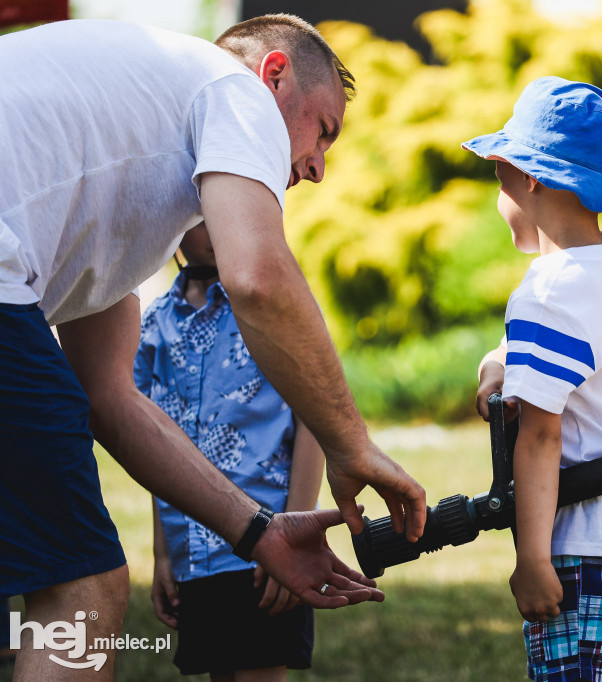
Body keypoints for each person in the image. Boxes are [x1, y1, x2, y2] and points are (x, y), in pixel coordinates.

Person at [0, 14, 425, 679]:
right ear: (275, 75)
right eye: (323, 130)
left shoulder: (112, 188)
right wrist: (351, 445)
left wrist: (259, 531)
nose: (316, 167)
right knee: (78, 590)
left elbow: (111, 399)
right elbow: (256, 278)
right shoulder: (232, 89)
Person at [463, 76, 602, 680]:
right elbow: (555, 355)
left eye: (500, 181)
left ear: (531, 178)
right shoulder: (601, 265)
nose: (499, 199)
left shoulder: (549, 290)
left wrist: (532, 559)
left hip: (576, 545)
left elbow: (543, 436)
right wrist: (501, 362)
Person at [136, 223, 322, 679]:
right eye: (198, 212)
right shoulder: (153, 326)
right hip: (194, 557)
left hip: (267, 551)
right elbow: (153, 445)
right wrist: (164, 556)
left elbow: (314, 424)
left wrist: (296, 536)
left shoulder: (272, 305)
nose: (217, 222)